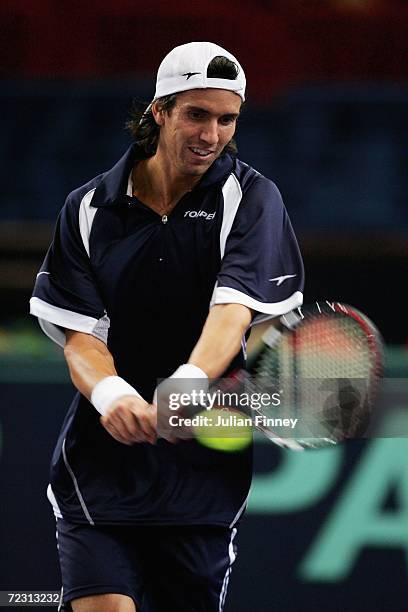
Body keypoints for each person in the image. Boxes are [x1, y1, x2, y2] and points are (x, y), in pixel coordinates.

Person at [30, 41, 304, 612]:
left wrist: (186, 384)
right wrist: (112, 394)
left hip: (203, 477)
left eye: (227, 119)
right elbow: (80, 337)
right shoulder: (87, 208)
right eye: (196, 114)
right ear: (160, 112)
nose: (212, 134)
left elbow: (233, 314)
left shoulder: (252, 200)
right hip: (100, 470)